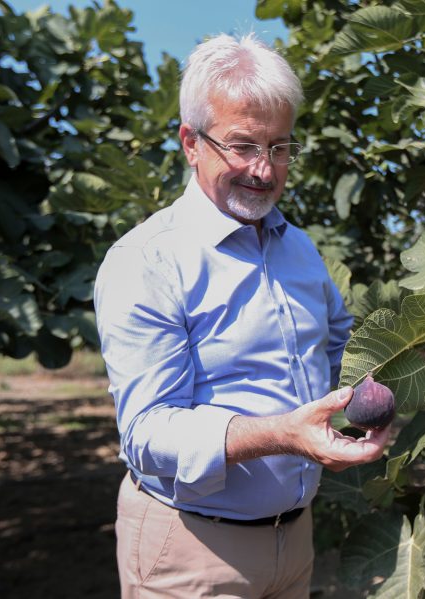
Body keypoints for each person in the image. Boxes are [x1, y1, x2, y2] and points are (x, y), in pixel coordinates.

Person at [93, 33, 392, 599]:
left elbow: (349, 359)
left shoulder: (298, 248)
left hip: (294, 543)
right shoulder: (147, 261)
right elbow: (147, 434)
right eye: (243, 146)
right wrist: (285, 435)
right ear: (190, 142)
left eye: (280, 148)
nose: (264, 169)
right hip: (192, 550)